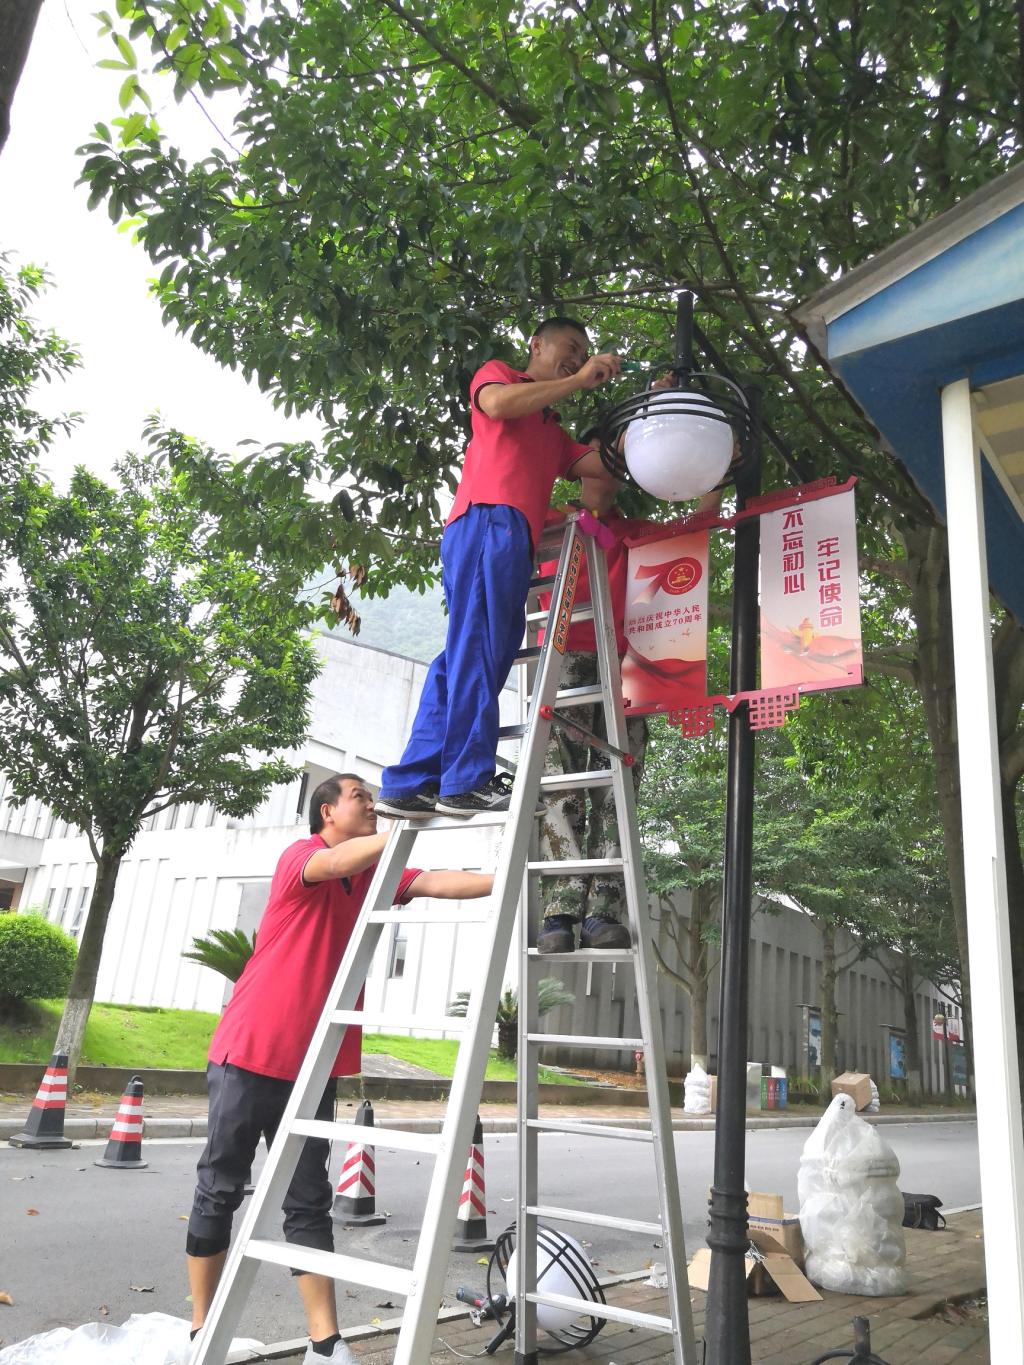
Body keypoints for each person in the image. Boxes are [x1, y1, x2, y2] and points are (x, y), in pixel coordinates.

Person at [185, 773, 493, 1364]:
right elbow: (334, 865)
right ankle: (202, 1330)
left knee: (307, 1201)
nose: (373, 804)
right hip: (250, 1051)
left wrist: (511, 883)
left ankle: (325, 1343)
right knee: (219, 1188)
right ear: (327, 811)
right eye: (361, 797)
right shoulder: (303, 856)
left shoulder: (375, 876)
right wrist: (411, 818)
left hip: (315, 1065)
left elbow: (435, 882)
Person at [375, 317, 622, 820]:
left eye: (583, 355)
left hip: (511, 534)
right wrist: (578, 381)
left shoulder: (552, 429)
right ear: (536, 345)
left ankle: (413, 781)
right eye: (570, 348)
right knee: (478, 646)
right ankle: (464, 778)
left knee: (470, 649)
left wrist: (652, 421)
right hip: (489, 517)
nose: (577, 359)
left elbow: (601, 465)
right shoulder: (501, 376)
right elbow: (495, 405)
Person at [536, 476, 723, 954]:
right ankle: (560, 911)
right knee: (563, 784)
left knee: (617, 792)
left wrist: (716, 474)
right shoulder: (550, 523)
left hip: (626, 671)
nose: (608, 470)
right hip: (565, 661)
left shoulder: (634, 531)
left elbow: (696, 530)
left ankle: (602, 912)